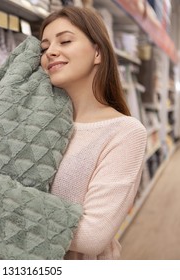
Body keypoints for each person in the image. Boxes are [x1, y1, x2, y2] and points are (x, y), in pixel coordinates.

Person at [39, 6, 147, 259]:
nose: (50, 52)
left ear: (97, 52)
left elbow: (91, 236)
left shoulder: (125, 132)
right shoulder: (37, 123)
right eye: (44, 48)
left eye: (65, 40)